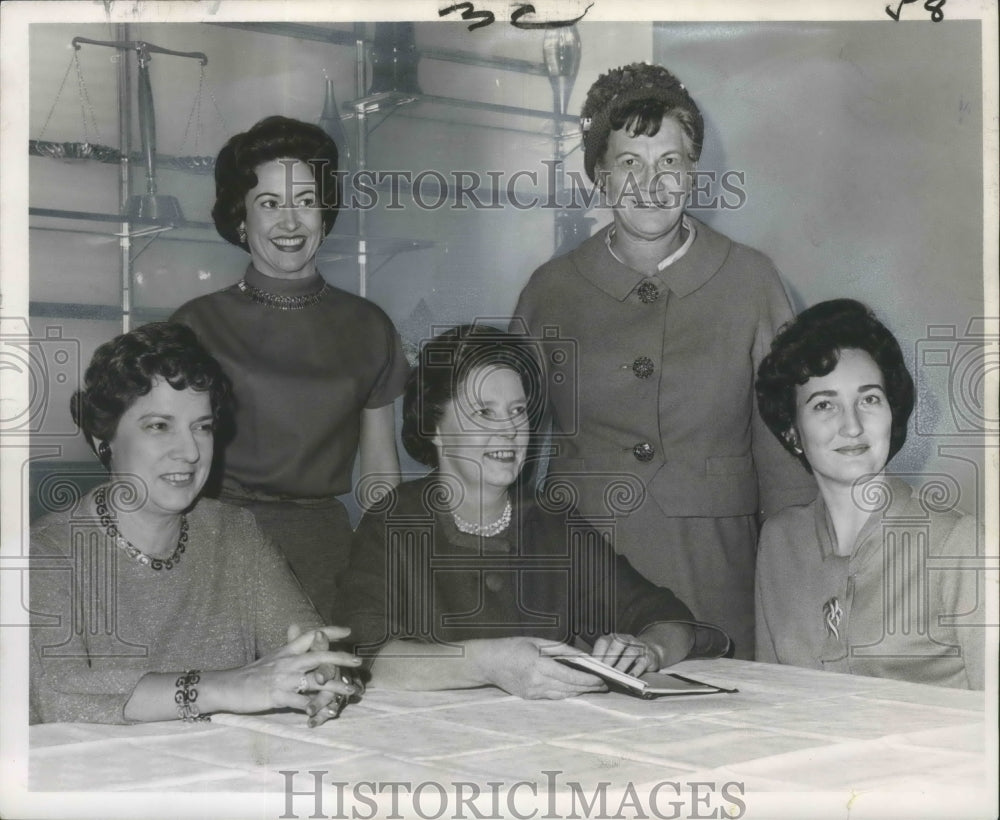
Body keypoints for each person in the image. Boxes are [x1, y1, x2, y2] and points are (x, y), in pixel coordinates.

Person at [512, 63, 815, 659]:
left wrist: (798, 585)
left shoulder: (752, 281)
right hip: (583, 569)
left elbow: (785, 459)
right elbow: (506, 449)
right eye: (629, 162)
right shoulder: (550, 291)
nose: (651, 182)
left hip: (715, 571)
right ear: (599, 175)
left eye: (669, 162)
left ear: (694, 173)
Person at [334, 326, 730, 700]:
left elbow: (669, 618)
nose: (509, 430)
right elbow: (364, 654)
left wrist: (649, 650)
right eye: (484, 413)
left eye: (518, 411)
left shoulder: (551, 520)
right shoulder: (393, 519)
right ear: (435, 427)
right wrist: (488, 664)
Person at [30, 323, 362, 724]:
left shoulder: (236, 533)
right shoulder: (45, 553)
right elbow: (58, 695)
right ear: (103, 439)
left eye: (202, 427)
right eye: (159, 426)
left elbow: (304, 644)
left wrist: (319, 678)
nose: (189, 451)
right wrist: (222, 687)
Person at [171, 115, 409, 607]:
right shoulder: (195, 326)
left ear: (325, 212)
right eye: (270, 203)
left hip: (325, 552)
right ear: (242, 217)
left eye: (305, 201)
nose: (290, 222)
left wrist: (380, 566)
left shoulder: (369, 326)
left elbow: (380, 477)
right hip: (215, 543)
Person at [754, 299, 984, 689]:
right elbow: (770, 706)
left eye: (869, 399)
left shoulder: (958, 545)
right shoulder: (779, 541)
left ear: (892, 412)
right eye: (824, 404)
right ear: (793, 432)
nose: (853, 426)